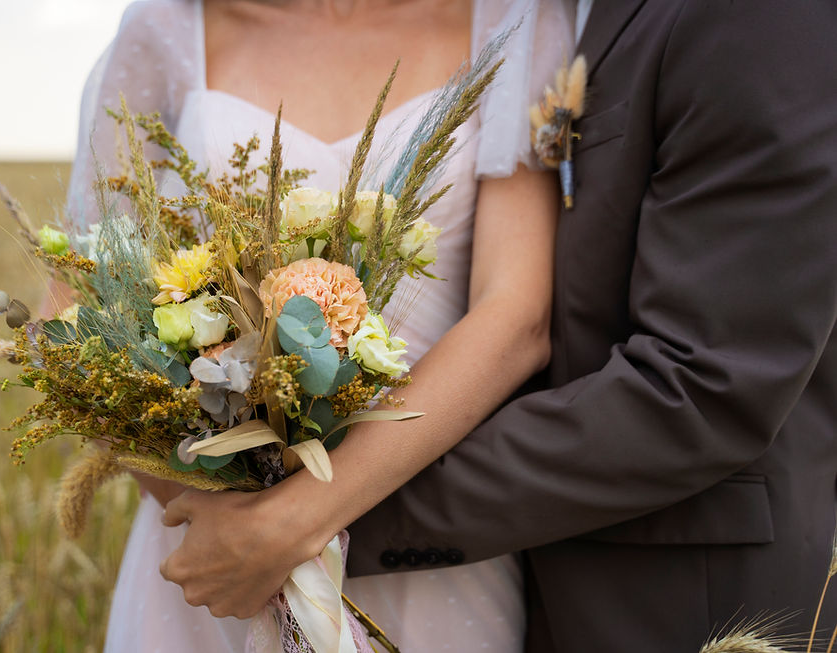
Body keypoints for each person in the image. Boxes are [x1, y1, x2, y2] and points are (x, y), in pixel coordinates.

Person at [161, 1, 837, 650]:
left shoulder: (754, 13)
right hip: (514, 577)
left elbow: (699, 384)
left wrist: (306, 518)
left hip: (680, 605)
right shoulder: (561, 10)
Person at [66, 0, 575, 650]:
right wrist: (215, 514)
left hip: (424, 559)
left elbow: (515, 314)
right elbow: (74, 302)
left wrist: (291, 526)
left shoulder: (513, 19)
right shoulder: (168, 25)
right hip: (210, 562)